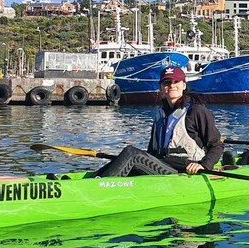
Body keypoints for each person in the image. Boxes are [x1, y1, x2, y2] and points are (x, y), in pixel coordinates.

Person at [95, 66, 223, 177]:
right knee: (125, 157)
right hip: (162, 166)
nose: (172, 85)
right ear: (161, 87)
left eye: (176, 82)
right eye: (167, 83)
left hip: (185, 170)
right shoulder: (160, 115)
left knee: (131, 153)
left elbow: (216, 145)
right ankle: (93, 179)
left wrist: (205, 165)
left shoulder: (196, 111)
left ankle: (99, 185)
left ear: (183, 85)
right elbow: (151, 151)